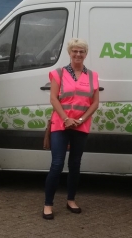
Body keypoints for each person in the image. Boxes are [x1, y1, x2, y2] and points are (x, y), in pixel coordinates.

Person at [43, 39, 100, 220]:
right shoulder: (58, 73)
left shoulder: (93, 76)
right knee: (57, 163)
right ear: (69, 53)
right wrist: (66, 119)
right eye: (75, 51)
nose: (78, 54)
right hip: (61, 123)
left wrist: (81, 119)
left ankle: (71, 200)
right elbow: (53, 99)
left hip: (81, 124)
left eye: (81, 51)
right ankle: (48, 204)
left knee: (75, 164)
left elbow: (95, 102)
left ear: (86, 54)